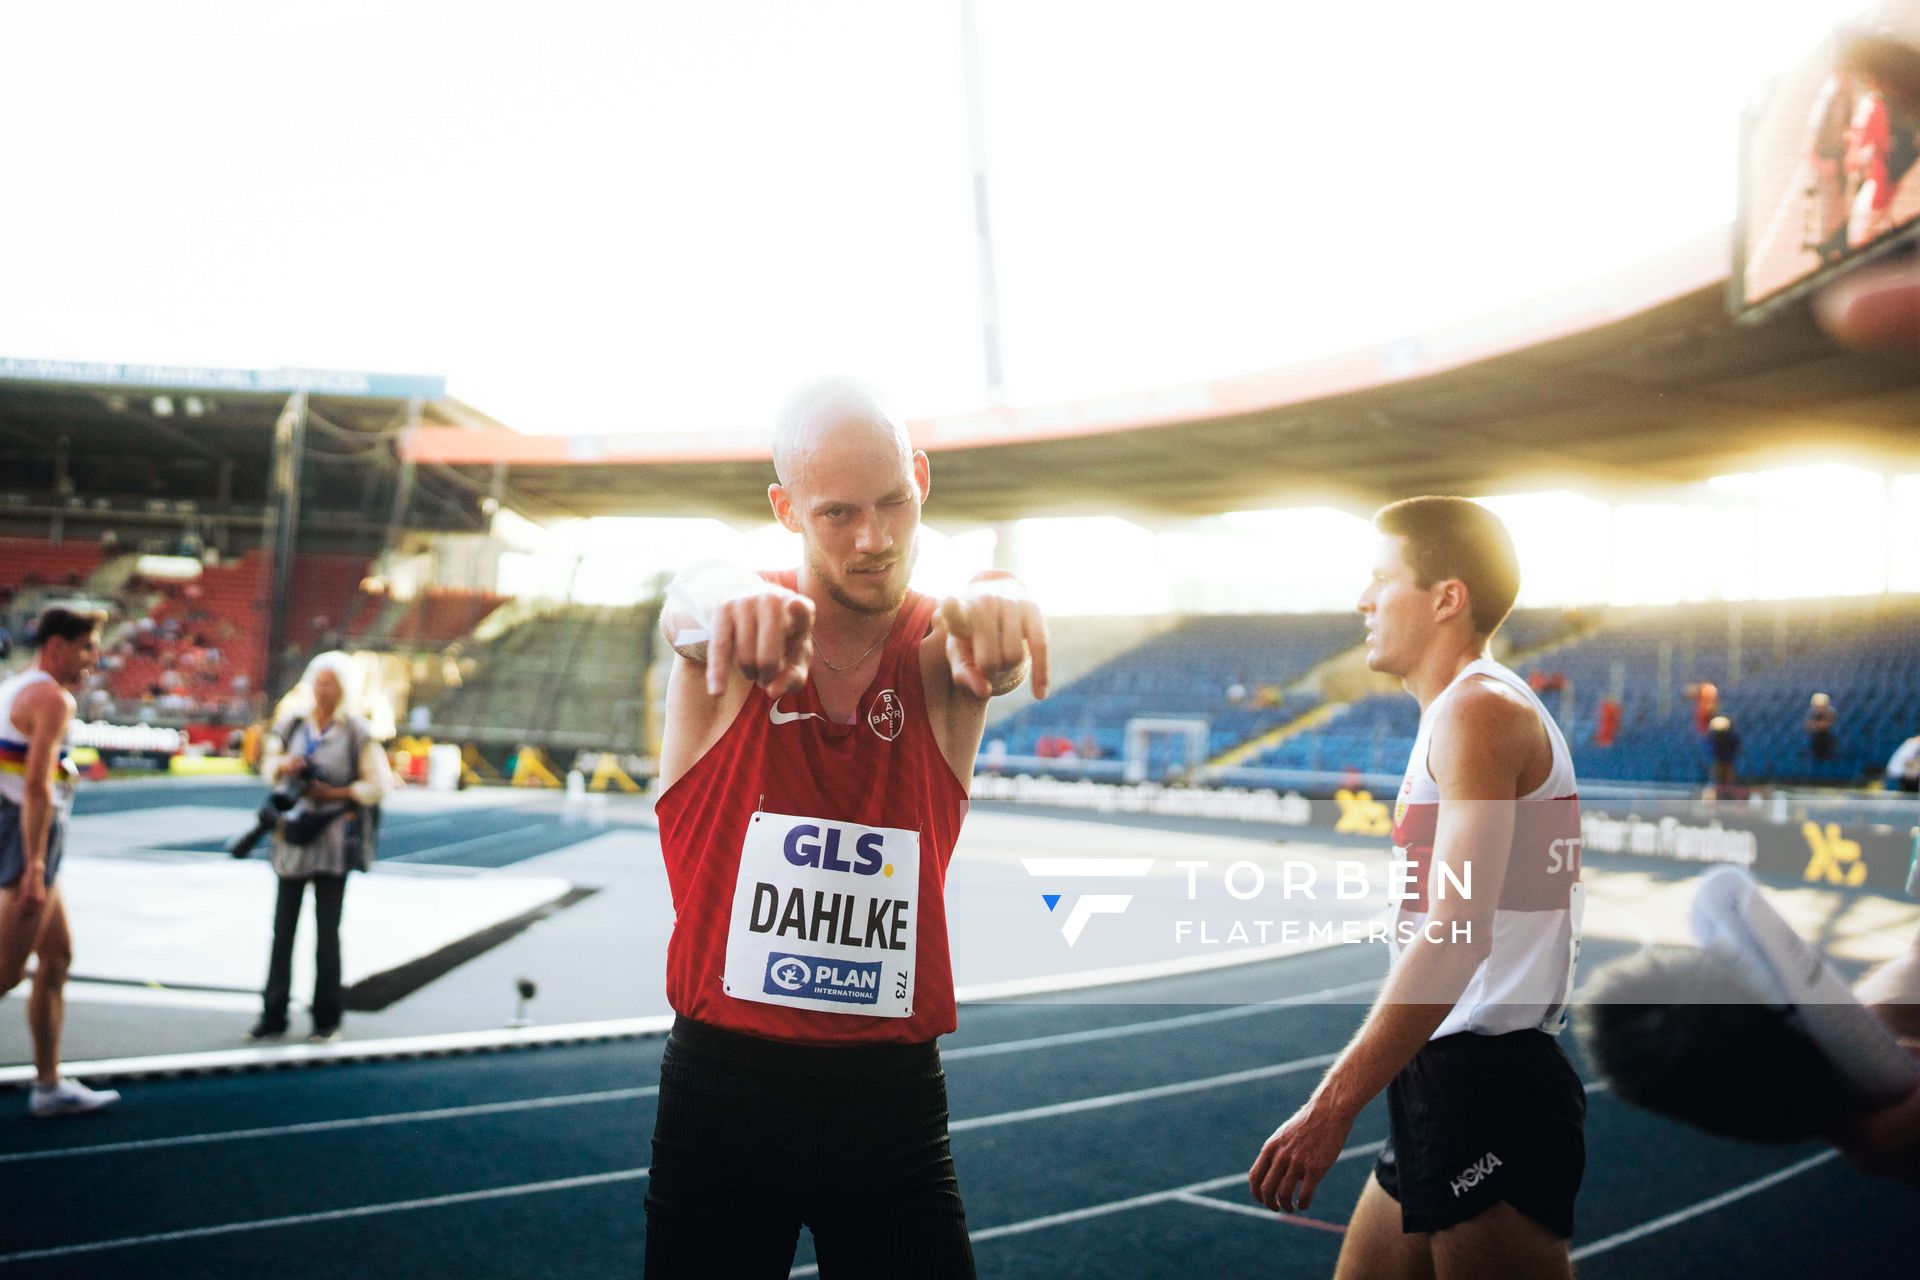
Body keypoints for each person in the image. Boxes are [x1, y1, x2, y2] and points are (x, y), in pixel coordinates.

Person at [644, 381, 1050, 1279]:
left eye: (893, 504)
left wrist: (1002, 588)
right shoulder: (731, 644)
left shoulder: (940, 650)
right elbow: (687, 606)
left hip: (892, 1104)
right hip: (724, 1095)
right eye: (837, 515)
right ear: (785, 509)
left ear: (923, 482)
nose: (874, 539)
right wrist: (718, 592)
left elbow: (993, 647)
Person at [1249, 497, 1584, 1280]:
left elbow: (1456, 930)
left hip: (1487, 1082)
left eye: (1380, 580)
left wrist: (1331, 1108)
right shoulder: (1457, 714)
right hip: (1445, 1075)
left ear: (1447, 598)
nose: (1362, 601)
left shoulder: (1479, 712)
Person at [0, 607, 120, 1116]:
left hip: (21, 836)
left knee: (57, 958)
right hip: (28, 843)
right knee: (4, 974)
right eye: (88, 646)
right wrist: (32, 867)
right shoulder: (52, 696)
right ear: (57, 646)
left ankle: (48, 1085)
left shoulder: (12, 686)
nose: (95, 658)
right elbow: (36, 786)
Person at [244, 651, 392, 1043]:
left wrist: (338, 793)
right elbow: (267, 768)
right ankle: (272, 1014)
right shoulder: (292, 725)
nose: (324, 690)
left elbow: (379, 785)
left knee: (328, 935)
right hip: (293, 838)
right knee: (282, 932)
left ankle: (327, 1018)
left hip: (332, 841)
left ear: (344, 689)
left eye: (332, 683)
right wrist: (284, 767)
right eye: (319, 682)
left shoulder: (358, 731)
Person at [1707, 713, 1741, 788]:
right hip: (1718, 763)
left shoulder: (1732, 739)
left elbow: (1736, 745)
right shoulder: (1712, 741)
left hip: (1728, 763)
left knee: (1728, 782)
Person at [1806, 692, 1838, 764]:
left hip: (1828, 740)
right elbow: (1807, 726)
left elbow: (1825, 725)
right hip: (1816, 741)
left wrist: (1817, 725)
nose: (1818, 707)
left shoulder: (1831, 712)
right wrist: (1819, 726)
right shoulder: (1812, 713)